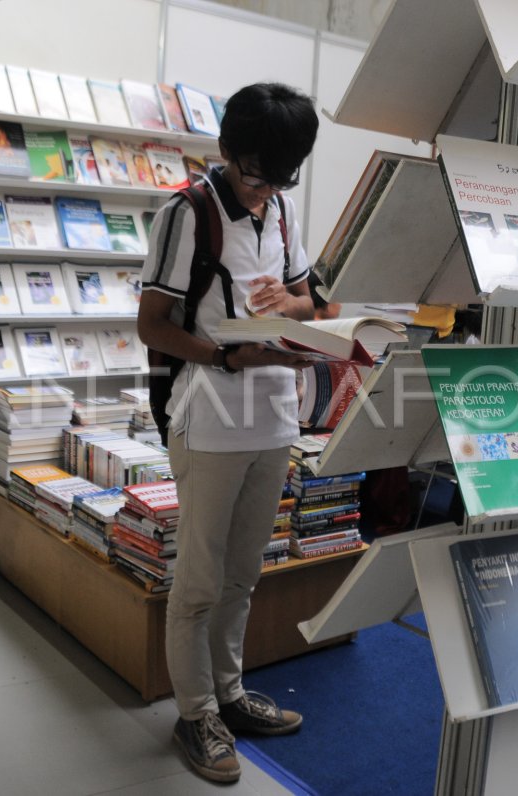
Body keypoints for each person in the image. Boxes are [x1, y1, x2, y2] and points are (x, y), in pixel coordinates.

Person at [136, 82, 318, 784]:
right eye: (253, 173)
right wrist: (222, 353)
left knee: (245, 573)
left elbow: (313, 299)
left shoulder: (282, 209)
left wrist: (293, 304)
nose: (263, 189)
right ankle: (195, 711)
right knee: (201, 580)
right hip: (210, 417)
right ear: (225, 152)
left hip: (275, 415)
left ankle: (231, 694)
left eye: (279, 176)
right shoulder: (186, 213)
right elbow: (152, 325)